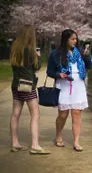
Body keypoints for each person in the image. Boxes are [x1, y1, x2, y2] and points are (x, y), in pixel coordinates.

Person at [47, 29, 92, 152]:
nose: (75, 41)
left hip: (78, 85)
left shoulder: (80, 52)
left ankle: (76, 141)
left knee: (76, 113)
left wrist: (87, 57)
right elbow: (49, 72)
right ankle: (59, 136)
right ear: (66, 39)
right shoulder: (56, 53)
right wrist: (58, 74)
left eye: (76, 39)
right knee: (63, 114)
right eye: (72, 39)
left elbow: (89, 66)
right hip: (63, 85)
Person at [9, 25, 50, 154]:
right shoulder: (30, 51)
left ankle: (15, 143)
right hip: (27, 85)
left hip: (16, 85)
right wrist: (39, 56)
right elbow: (36, 67)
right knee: (35, 114)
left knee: (15, 114)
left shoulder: (15, 49)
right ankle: (35, 145)